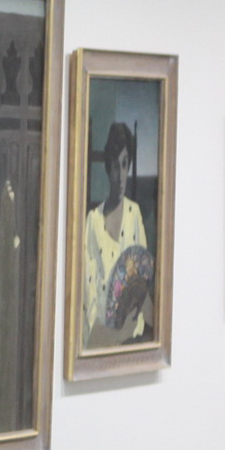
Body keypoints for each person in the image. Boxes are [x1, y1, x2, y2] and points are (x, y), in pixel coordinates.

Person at [81, 121, 153, 347]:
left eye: (125, 164)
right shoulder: (93, 221)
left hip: (136, 338)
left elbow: (142, 280)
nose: (121, 175)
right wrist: (116, 335)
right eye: (115, 166)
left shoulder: (134, 214)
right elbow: (89, 303)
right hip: (103, 339)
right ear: (107, 168)